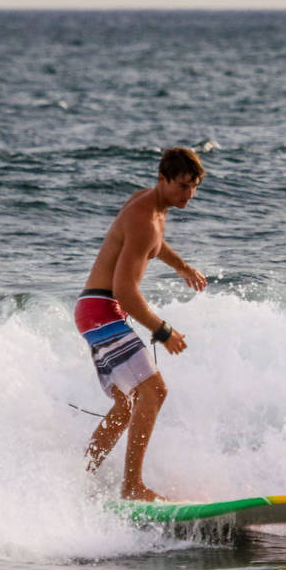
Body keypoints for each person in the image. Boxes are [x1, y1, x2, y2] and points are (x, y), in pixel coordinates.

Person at [74, 147, 206, 501]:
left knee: (127, 406)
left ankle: (79, 482)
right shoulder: (143, 218)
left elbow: (155, 244)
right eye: (182, 186)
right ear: (163, 179)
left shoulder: (152, 207)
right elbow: (125, 291)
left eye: (194, 187)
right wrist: (162, 332)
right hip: (103, 312)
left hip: (92, 311)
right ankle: (132, 488)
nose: (188, 194)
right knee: (154, 392)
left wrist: (181, 266)